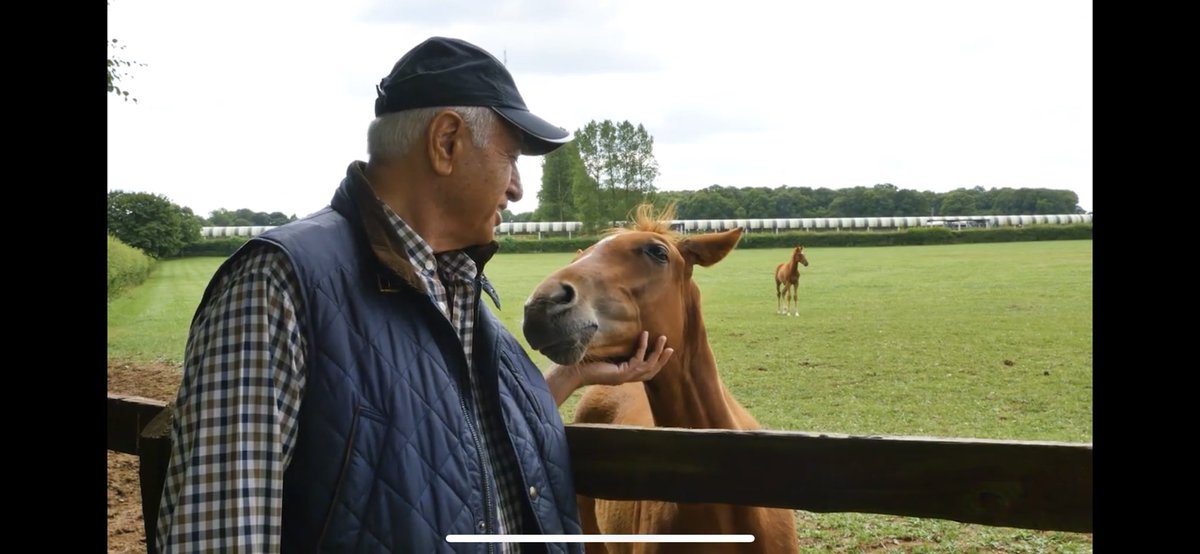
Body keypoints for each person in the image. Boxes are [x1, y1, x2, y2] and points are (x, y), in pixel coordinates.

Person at [155, 36, 675, 554]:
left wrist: (573, 374)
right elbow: (214, 536)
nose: (516, 188)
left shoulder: (458, 294)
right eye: (511, 158)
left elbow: (454, 433)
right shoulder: (277, 286)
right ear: (446, 142)